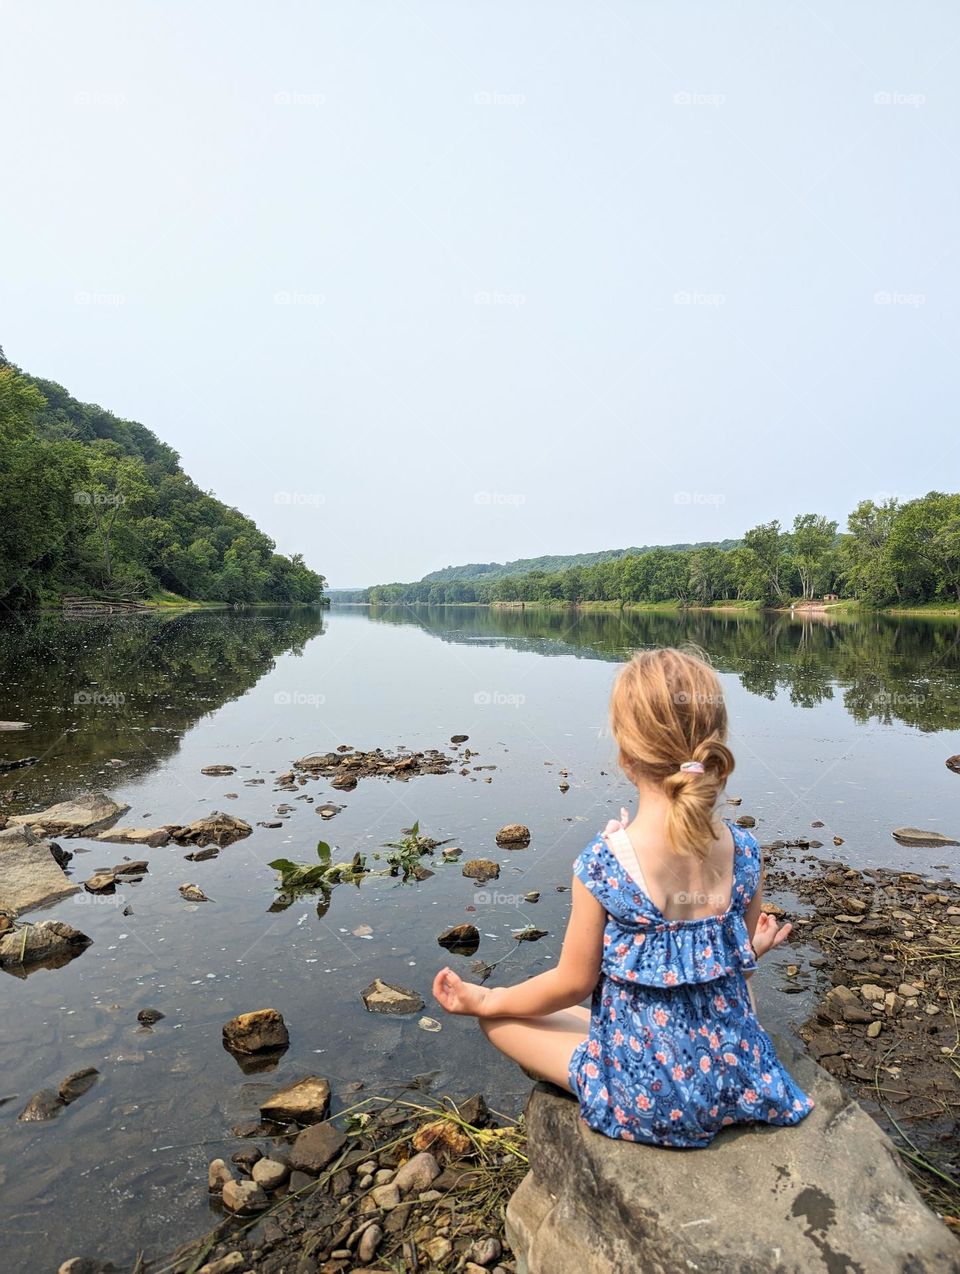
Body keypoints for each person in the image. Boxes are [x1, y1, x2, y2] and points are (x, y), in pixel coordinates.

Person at [432, 646, 814, 1147]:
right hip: (736, 1077)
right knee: (591, 1015)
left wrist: (490, 998)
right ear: (714, 746)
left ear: (626, 756)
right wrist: (756, 949)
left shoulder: (605, 863)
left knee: (502, 1021)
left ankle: (506, 1013)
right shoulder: (745, 851)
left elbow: (571, 984)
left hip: (649, 1098)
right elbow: (732, 964)